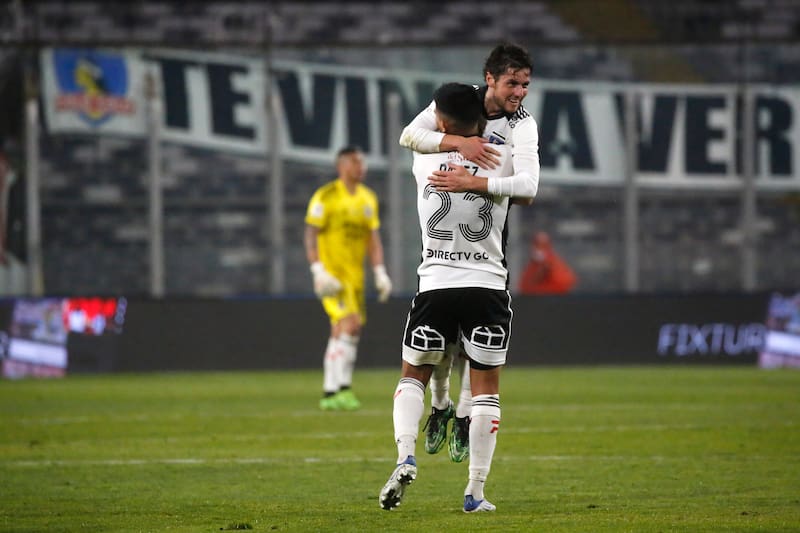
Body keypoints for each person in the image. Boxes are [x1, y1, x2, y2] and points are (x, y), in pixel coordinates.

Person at [379, 80, 538, 513]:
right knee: (488, 389)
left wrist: (446, 136)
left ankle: (405, 455)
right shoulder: (502, 159)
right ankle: (475, 492)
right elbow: (527, 187)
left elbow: (414, 132)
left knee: (413, 375)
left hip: (435, 284)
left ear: (443, 121)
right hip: (487, 286)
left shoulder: (421, 156)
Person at [304, 146, 393, 411]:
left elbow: (373, 240)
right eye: (355, 162)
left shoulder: (367, 198)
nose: (361, 167)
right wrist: (317, 270)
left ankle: (331, 392)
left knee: (344, 331)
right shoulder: (327, 196)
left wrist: (379, 271)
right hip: (333, 276)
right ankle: (341, 388)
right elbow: (310, 233)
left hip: (355, 277)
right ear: (342, 165)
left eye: (362, 162)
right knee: (349, 325)